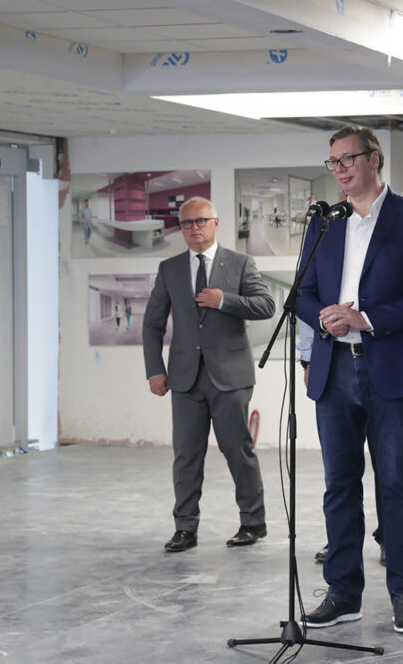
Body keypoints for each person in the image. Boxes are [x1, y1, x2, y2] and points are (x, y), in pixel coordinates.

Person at [297, 125, 403, 634]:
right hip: (333, 369)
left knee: (396, 485)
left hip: (392, 368)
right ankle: (343, 593)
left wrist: (366, 319)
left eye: (348, 159)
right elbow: (302, 293)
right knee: (339, 486)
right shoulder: (324, 222)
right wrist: (325, 318)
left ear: (374, 159)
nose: (340, 169)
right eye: (333, 161)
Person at [142, 196, 275, 553]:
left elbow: (266, 306)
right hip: (185, 378)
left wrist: (224, 300)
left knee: (238, 451)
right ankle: (185, 528)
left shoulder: (241, 263)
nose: (194, 228)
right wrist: (154, 370)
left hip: (230, 377)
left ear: (216, 223)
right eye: (187, 223)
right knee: (186, 456)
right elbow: (152, 324)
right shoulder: (169, 268)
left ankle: (253, 522)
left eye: (201, 221)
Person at [297, 320, 385, 567]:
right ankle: (341, 543)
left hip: (385, 357)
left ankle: (390, 537)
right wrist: (308, 359)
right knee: (339, 473)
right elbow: (307, 305)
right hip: (334, 361)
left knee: (390, 469)